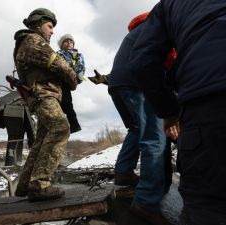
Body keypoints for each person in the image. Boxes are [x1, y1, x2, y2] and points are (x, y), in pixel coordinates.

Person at [129, 1, 226, 224]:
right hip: (218, 86)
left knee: (209, 193)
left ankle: (146, 198)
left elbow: (143, 61)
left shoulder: (170, 5)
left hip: (213, 95)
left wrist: (169, 111)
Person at [89, 13, 172, 225]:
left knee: (136, 129)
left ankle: (124, 172)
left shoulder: (136, 31)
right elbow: (170, 58)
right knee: (155, 138)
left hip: (117, 85)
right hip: (138, 83)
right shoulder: (159, 25)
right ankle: (146, 202)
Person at [13, 8, 78, 201]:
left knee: (41, 139)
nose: (52, 31)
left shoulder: (31, 41)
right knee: (60, 128)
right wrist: (73, 78)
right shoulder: (33, 40)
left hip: (43, 95)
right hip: (43, 94)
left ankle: (25, 184)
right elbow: (60, 64)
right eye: (49, 26)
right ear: (37, 24)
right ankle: (39, 185)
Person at [57, 34, 85, 133]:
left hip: (69, 80)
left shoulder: (78, 55)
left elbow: (80, 66)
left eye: (71, 41)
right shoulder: (58, 54)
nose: (69, 43)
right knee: (60, 103)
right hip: (59, 80)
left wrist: (70, 70)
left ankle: (74, 125)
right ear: (61, 45)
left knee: (67, 102)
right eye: (66, 41)